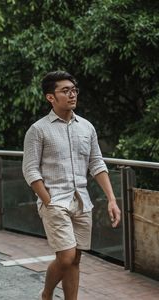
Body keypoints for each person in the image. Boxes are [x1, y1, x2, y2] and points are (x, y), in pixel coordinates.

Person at [22, 71, 121, 300]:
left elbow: (96, 163)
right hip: (55, 201)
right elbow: (30, 169)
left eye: (74, 90)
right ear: (50, 97)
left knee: (75, 259)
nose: (72, 94)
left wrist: (112, 199)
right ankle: (46, 294)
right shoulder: (38, 130)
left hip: (82, 201)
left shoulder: (86, 127)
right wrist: (49, 201)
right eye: (65, 90)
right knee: (65, 257)